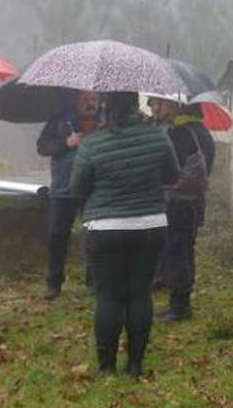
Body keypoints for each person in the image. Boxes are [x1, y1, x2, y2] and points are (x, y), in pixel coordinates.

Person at [70, 91, 181, 378]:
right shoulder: (158, 136)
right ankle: (135, 365)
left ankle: (106, 367)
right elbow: (172, 176)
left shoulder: (93, 142)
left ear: (107, 105)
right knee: (139, 295)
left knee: (109, 298)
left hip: (105, 229)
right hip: (150, 226)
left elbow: (76, 188)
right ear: (137, 105)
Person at [147, 96, 215, 322]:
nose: (155, 108)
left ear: (176, 104)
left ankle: (179, 306)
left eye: (159, 103)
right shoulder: (201, 131)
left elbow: (167, 172)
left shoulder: (179, 134)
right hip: (194, 203)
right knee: (185, 250)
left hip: (177, 204)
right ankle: (178, 294)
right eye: (152, 104)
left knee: (177, 252)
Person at [37, 90, 102, 301]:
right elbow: (42, 147)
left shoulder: (107, 120)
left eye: (93, 99)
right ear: (76, 100)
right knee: (57, 235)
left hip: (94, 187)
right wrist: (67, 143)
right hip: (63, 187)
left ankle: (94, 282)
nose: (89, 104)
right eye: (85, 100)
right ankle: (53, 283)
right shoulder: (60, 120)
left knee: (94, 235)